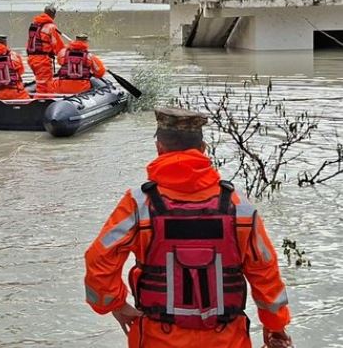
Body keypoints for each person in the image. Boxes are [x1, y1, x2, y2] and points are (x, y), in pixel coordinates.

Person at [84, 107, 293, 348]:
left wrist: (115, 305)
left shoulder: (138, 204)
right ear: (203, 150)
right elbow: (265, 273)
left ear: (159, 149)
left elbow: (99, 259)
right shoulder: (239, 206)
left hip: (157, 338)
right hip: (227, 339)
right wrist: (275, 326)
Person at [26, 4, 66, 94]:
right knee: (45, 87)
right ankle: (41, 104)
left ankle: (41, 99)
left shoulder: (34, 25)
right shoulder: (50, 27)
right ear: (53, 15)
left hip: (31, 59)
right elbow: (59, 48)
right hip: (42, 60)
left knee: (42, 83)